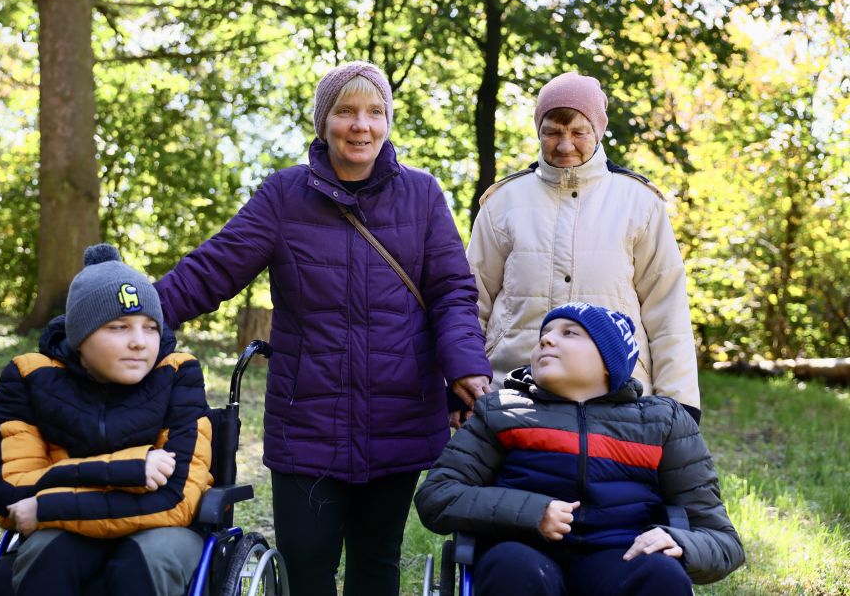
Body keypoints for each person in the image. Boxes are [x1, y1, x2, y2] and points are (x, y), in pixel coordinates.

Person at [155, 60, 493, 596]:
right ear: (323, 122)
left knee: (376, 566)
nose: (361, 126)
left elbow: (452, 293)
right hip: (306, 419)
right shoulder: (283, 196)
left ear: (387, 121)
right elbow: (212, 269)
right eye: (346, 112)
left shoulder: (423, 196)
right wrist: (134, 317)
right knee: (306, 568)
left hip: (398, 414)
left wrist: (466, 368)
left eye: (374, 112)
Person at [414, 301, 744, 596]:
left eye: (570, 333)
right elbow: (438, 495)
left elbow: (722, 539)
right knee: (512, 566)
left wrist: (683, 543)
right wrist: (532, 511)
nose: (546, 339)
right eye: (544, 333)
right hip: (522, 549)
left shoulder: (662, 422)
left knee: (660, 573)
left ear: (608, 360)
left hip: (620, 556)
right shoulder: (501, 411)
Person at [467, 72, 702, 422]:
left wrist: (680, 402)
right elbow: (472, 301)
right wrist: (465, 381)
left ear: (598, 131)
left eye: (578, 132)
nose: (565, 146)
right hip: (514, 390)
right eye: (552, 132)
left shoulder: (640, 203)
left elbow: (667, 308)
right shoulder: (503, 203)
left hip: (617, 393)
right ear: (538, 132)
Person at [0, 244, 212, 596]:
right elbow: (9, 492)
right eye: (119, 327)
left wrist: (47, 506)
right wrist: (132, 470)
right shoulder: (29, 377)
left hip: (162, 529)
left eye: (150, 327)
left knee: (146, 558)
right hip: (67, 529)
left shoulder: (178, 374)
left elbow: (175, 499)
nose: (139, 343)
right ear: (80, 336)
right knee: (48, 554)